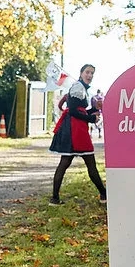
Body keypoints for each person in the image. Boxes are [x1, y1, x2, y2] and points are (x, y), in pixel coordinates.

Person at [49, 64, 107, 206]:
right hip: (75, 130)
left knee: (66, 163)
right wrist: (91, 118)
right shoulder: (77, 87)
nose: (90, 75)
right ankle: (104, 194)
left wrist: (94, 109)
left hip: (75, 128)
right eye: (87, 72)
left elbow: (79, 110)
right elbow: (74, 111)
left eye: (92, 73)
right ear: (81, 73)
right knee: (87, 162)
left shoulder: (81, 88)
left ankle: (55, 199)